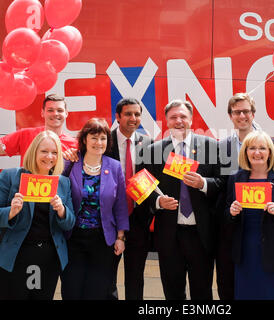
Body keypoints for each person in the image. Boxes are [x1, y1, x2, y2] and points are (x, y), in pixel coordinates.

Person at [0, 130, 75, 300]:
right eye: (44, 151)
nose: (49, 157)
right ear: (34, 151)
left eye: (54, 152)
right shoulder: (11, 176)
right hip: (14, 259)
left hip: (48, 261)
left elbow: (69, 223)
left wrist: (62, 211)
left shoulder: (63, 183)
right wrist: (11, 211)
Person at [143, 99, 222, 300]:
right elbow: (144, 187)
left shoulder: (212, 146)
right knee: (172, 291)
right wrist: (158, 202)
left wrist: (203, 183)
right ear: (166, 121)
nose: (178, 121)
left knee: (202, 292)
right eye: (173, 117)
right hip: (169, 235)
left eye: (183, 116)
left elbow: (224, 184)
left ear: (191, 119)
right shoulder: (153, 150)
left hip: (200, 234)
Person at [215, 92, 274, 300]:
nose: (242, 115)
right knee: (228, 279)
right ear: (230, 116)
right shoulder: (222, 145)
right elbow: (219, 183)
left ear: (253, 114)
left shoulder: (271, 143)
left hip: (264, 223)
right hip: (233, 221)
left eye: (246, 111)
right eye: (237, 112)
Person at [227, 130, 274, 300]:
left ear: (270, 152)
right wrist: (232, 212)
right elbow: (227, 215)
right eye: (252, 148)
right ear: (245, 152)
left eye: (262, 148)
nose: (257, 153)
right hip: (246, 253)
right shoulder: (236, 178)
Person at [60, 117, 129, 300]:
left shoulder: (114, 167)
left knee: (97, 291)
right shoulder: (70, 163)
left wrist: (121, 237)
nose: (99, 143)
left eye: (103, 138)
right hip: (72, 238)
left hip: (102, 240)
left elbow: (120, 205)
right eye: (94, 137)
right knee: (72, 289)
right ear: (84, 140)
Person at [108, 97, 153, 300]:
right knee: (107, 277)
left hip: (138, 219)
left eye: (137, 114)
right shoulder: (104, 141)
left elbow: (153, 179)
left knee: (135, 277)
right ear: (117, 117)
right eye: (128, 114)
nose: (133, 118)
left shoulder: (149, 143)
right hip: (109, 220)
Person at [0, 94, 77, 164]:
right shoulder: (25, 135)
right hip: (28, 197)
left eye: (59, 110)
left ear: (66, 113)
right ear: (42, 113)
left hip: (60, 198)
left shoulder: (75, 145)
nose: (55, 114)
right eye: (50, 110)